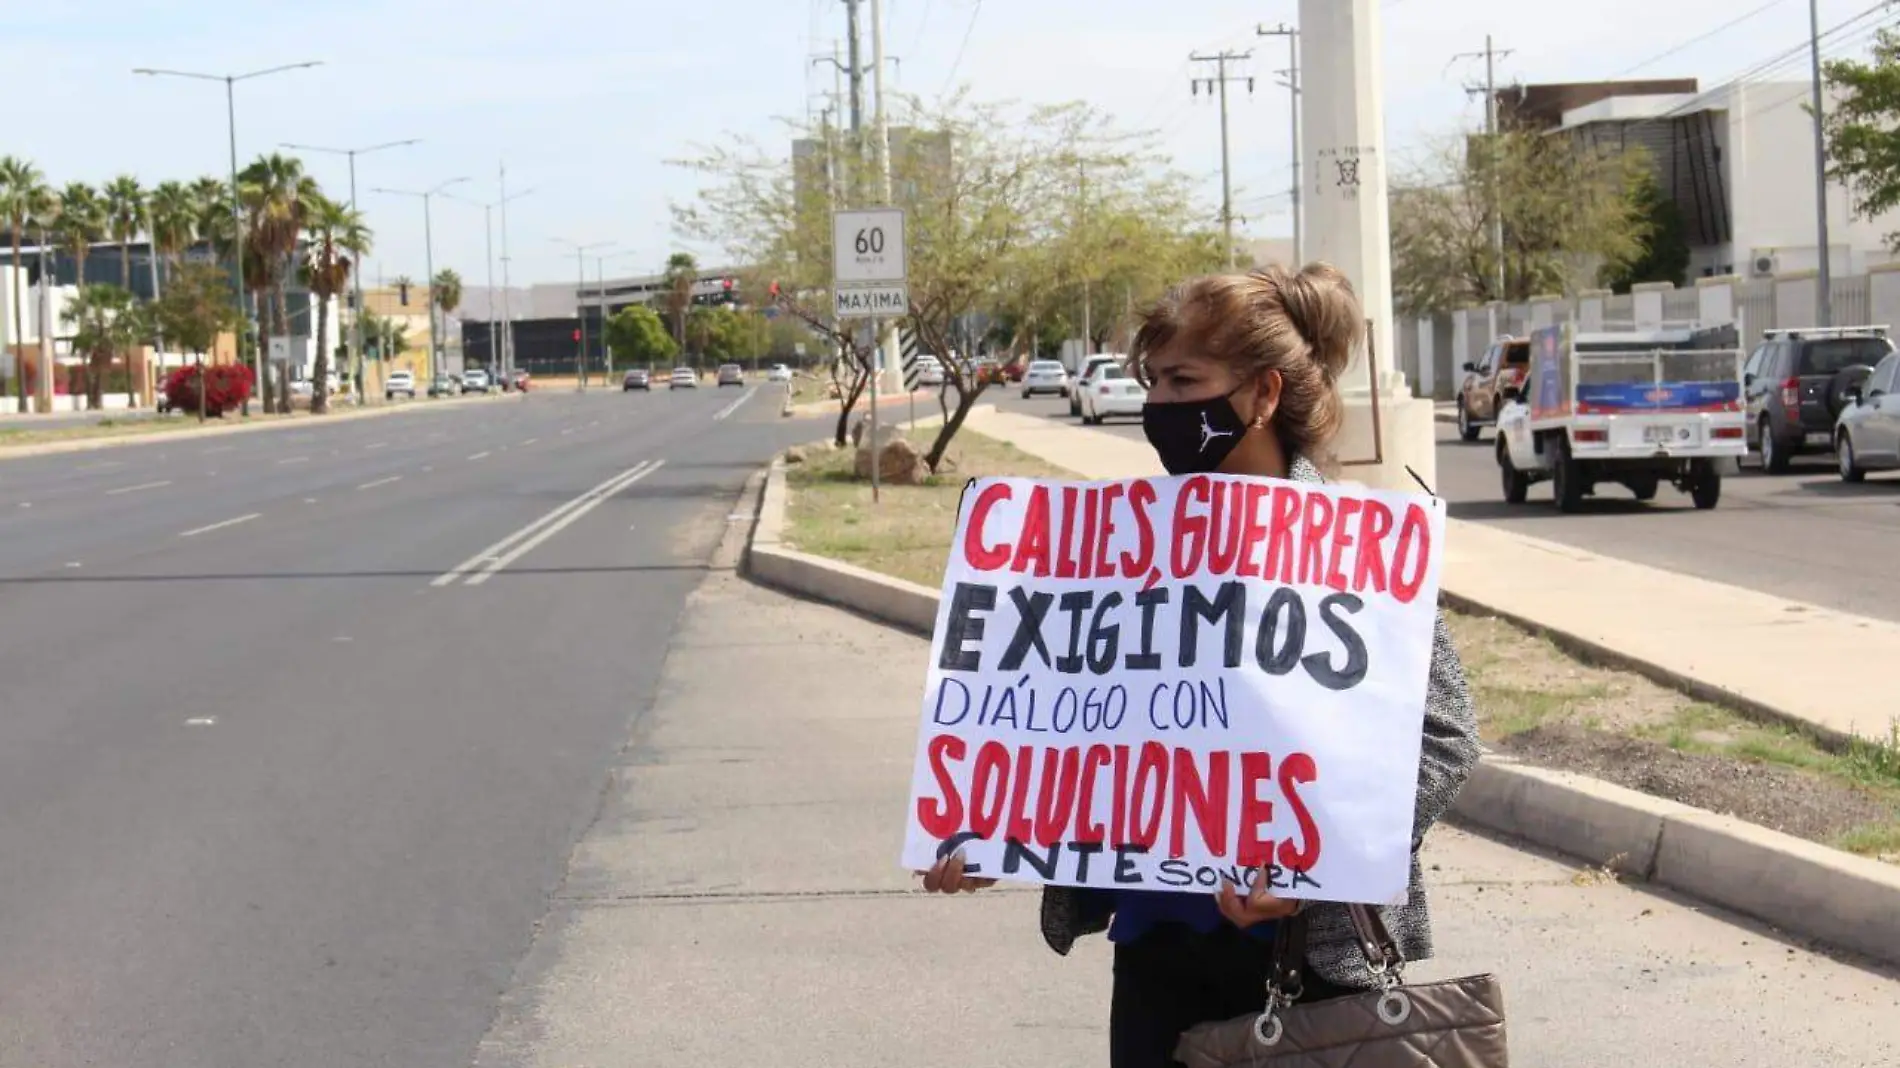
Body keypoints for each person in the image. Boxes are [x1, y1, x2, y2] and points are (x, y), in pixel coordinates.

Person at [917, 264, 1483, 1068]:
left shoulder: (1351, 546)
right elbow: (1077, 727)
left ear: (1261, 394)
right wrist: (997, 834)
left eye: (1185, 381)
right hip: (1156, 953)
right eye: (1154, 382)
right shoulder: (1117, 547)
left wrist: (1317, 865)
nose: (1160, 407)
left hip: (1308, 961)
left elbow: (1447, 738)